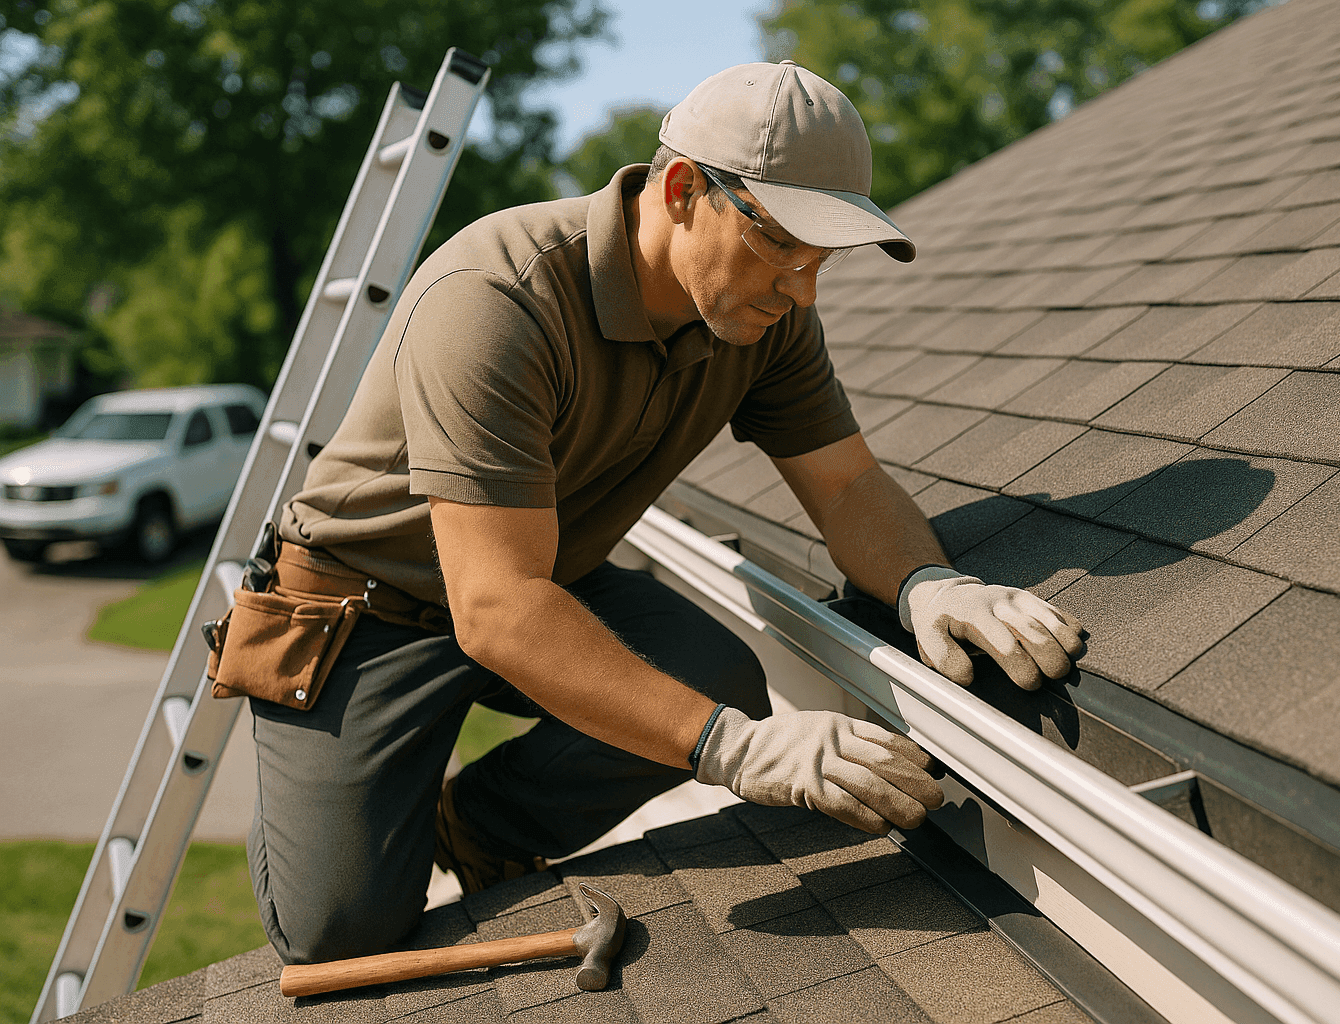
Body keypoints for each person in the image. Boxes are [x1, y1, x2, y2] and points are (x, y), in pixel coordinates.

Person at [252, 60, 1085, 964]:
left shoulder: (762, 318)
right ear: (684, 189)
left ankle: (477, 825)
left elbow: (846, 486)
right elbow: (494, 608)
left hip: (544, 577)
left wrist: (928, 583)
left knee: (713, 678)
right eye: (781, 243)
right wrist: (733, 754)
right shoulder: (498, 300)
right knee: (338, 931)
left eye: (825, 258)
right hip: (366, 611)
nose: (803, 290)